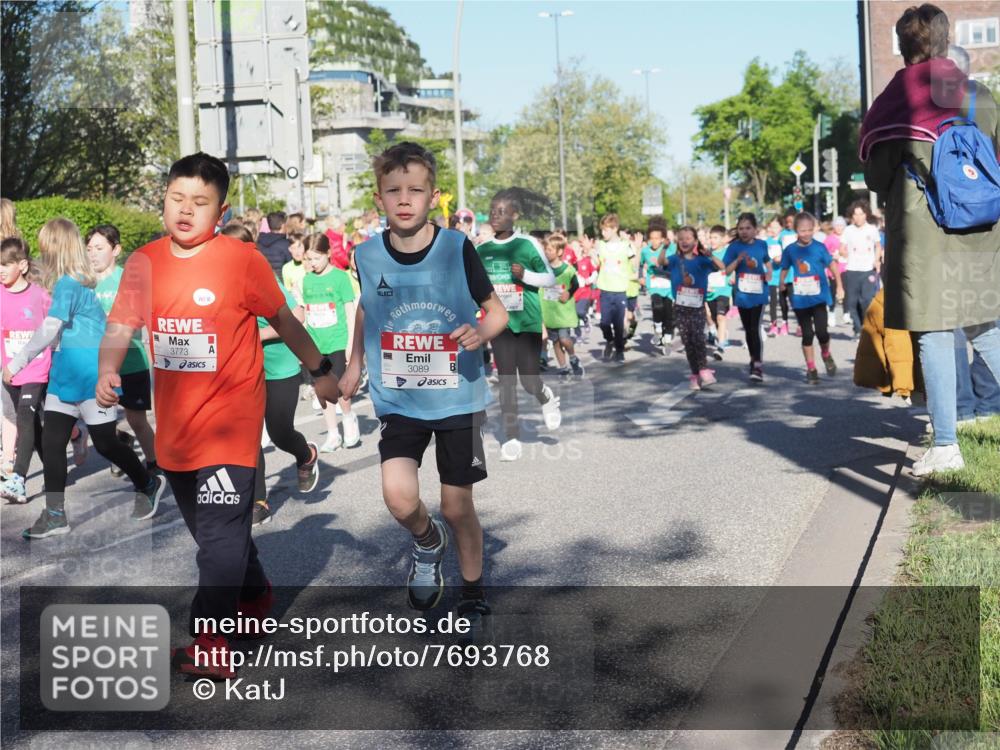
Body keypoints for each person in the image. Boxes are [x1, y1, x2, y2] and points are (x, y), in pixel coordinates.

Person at [96, 152, 341, 678]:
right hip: (177, 431)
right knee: (213, 536)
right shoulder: (144, 262)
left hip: (232, 425)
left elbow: (284, 319)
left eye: (200, 202)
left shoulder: (241, 260)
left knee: (221, 538)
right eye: (176, 198)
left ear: (221, 208)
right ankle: (255, 594)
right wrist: (107, 370)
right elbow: (120, 324)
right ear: (163, 199)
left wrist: (319, 369)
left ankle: (211, 643)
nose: (185, 211)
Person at [339, 141, 508, 624]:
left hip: (457, 396)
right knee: (398, 496)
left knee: (456, 507)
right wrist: (355, 365)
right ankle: (426, 542)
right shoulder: (366, 254)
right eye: (394, 190)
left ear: (434, 196)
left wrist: (481, 331)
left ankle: (472, 590)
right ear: (379, 199)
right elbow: (368, 308)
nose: (405, 198)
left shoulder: (457, 247)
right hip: (400, 397)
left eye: (415, 189)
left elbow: (495, 311)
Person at [861, 3, 1000, 476]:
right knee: (988, 328)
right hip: (983, 230)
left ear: (902, 47)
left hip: (925, 235)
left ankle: (946, 444)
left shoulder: (895, 101)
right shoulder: (979, 95)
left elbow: (878, 178)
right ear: (945, 41)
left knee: (936, 335)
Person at [3, 219, 164, 535]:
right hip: (64, 376)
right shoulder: (66, 282)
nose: (41, 252)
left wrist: (17, 363)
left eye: (44, 246)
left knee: (106, 443)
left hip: (92, 375)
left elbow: (49, 331)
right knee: (51, 444)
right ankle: (54, 515)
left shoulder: (71, 284)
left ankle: (147, 482)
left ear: (56, 248)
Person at [477, 188, 560, 462]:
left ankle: (545, 396)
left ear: (514, 215)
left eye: (502, 212)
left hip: (527, 322)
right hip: (499, 323)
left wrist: (525, 275)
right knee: (506, 382)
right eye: (492, 212)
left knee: (527, 380)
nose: (495, 216)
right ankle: (511, 437)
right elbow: (474, 286)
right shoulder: (483, 250)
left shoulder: (527, 245)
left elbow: (549, 279)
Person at [86, 225, 158, 477]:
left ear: (116, 250)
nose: (93, 254)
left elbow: (137, 318)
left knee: (137, 420)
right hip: (96, 364)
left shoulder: (126, 279)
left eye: (99, 248)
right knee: (92, 418)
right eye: (89, 249)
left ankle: (153, 463)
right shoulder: (86, 283)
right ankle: (121, 442)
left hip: (131, 361)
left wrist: (108, 319)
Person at [0, 237, 51, 503]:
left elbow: (54, 328)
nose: (1, 270)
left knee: (24, 418)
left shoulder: (39, 296)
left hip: (36, 369)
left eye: (5, 264)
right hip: (9, 372)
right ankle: (55, 474)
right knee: (33, 425)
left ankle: (18, 480)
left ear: (21, 265)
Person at [302, 233, 360, 453]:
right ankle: (333, 434)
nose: (313, 263)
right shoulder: (306, 280)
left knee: (340, 388)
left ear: (328, 254)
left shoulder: (340, 278)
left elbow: (350, 311)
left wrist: (351, 345)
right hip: (316, 345)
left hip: (338, 340)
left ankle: (348, 419)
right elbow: (306, 314)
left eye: (317, 258)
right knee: (322, 390)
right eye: (309, 259)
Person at [779, 212, 844, 384]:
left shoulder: (819, 247)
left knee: (822, 332)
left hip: (819, 296)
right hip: (800, 298)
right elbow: (784, 267)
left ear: (814, 229)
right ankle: (811, 369)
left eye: (809, 230)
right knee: (807, 334)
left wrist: (839, 285)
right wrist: (781, 283)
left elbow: (832, 265)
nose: (806, 234)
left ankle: (826, 354)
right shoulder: (790, 250)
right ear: (796, 231)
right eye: (802, 231)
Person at [658, 226, 725, 390]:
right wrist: (665, 247)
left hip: (697, 306)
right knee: (688, 341)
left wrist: (710, 255)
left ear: (695, 241)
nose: (684, 242)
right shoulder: (674, 259)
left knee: (698, 338)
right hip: (680, 307)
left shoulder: (701, 261)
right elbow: (662, 262)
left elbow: (722, 266)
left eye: (688, 238)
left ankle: (704, 369)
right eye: (681, 239)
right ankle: (695, 375)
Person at [723, 213, 773, 382]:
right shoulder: (734, 247)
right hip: (742, 294)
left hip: (759, 293)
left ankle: (757, 365)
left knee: (755, 327)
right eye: (741, 228)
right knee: (748, 329)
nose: (744, 232)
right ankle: (753, 359)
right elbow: (726, 270)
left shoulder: (762, 245)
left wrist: (769, 273)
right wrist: (737, 261)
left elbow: (767, 261)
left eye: (748, 228)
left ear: (755, 230)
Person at [539, 233, 584, 380]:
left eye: (550, 250)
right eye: (545, 250)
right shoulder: (542, 269)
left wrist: (569, 293)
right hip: (549, 312)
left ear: (559, 252)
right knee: (556, 342)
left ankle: (573, 357)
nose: (547, 252)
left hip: (563, 311)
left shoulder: (568, 269)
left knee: (564, 339)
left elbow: (576, 284)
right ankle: (563, 367)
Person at [839, 200, 882, 337]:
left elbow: (878, 246)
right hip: (852, 269)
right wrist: (843, 253)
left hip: (867, 269)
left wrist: (876, 260)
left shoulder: (872, 229)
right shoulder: (848, 230)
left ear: (866, 215)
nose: (858, 217)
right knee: (852, 303)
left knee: (866, 300)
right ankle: (858, 328)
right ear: (852, 216)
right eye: (855, 214)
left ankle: (865, 328)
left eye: (861, 214)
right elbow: (842, 248)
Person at [595, 213, 634, 362]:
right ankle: (609, 340)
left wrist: (635, 246)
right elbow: (597, 263)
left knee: (618, 324)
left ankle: (619, 350)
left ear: (615, 228)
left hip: (620, 291)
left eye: (606, 230)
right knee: (604, 322)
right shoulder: (601, 245)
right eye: (602, 230)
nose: (603, 233)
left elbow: (634, 262)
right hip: (605, 290)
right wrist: (591, 253)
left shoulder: (625, 245)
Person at [640, 218, 675, 347]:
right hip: (654, 285)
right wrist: (641, 277)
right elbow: (640, 264)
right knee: (657, 305)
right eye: (652, 238)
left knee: (668, 312)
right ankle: (658, 326)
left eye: (657, 238)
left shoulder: (669, 250)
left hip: (668, 286)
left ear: (662, 239)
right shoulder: (645, 251)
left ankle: (668, 333)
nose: (654, 241)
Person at [705, 224, 732, 354]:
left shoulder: (728, 252)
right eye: (711, 237)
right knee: (714, 318)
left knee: (721, 317)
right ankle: (721, 334)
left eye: (715, 238)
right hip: (710, 292)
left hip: (724, 291)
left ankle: (720, 345)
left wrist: (733, 277)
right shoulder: (706, 254)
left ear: (723, 239)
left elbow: (729, 266)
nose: (712, 240)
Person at [765, 219, 790, 336]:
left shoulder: (784, 240)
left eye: (776, 227)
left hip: (783, 274)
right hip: (771, 276)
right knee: (773, 302)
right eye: (771, 227)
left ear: (781, 228)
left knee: (783, 300)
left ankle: (785, 323)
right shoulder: (767, 242)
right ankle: (773, 324)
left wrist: (781, 258)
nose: (773, 230)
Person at [824, 216, 847, 326]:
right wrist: (832, 256)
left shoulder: (848, 237)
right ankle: (831, 313)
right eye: (837, 225)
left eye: (841, 225)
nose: (839, 228)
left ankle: (846, 313)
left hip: (847, 268)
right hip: (833, 270)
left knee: (847, 291)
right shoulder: (829, 239)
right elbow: (823, 253)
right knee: (833, 292)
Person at [257, 211, 293, 276]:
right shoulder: (286, 244)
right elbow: (291, 265)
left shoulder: (258, 242)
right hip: (281, 282)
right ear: (283, 225)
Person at [281, 231, 307, 304]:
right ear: (289, 249)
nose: (297, 252)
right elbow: (288, 291)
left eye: (299, 247)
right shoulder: (286, 268)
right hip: (298, 306)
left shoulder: (311, 265)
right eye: (293, 248)